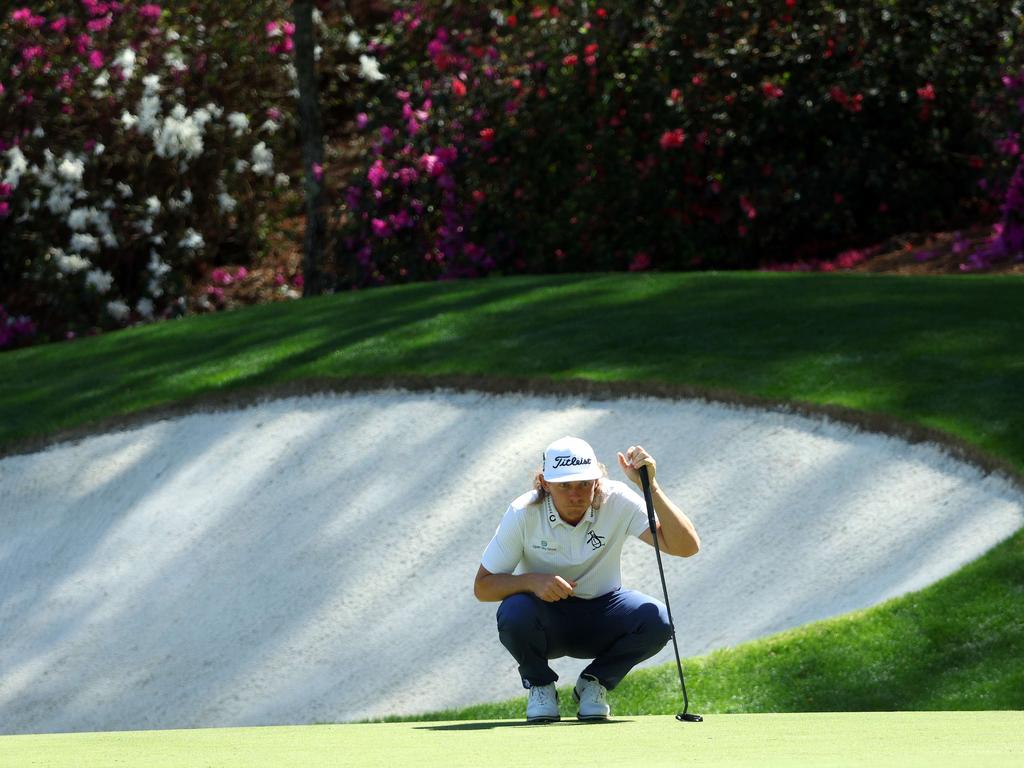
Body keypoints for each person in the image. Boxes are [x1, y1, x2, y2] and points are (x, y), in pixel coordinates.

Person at [474, 435, 700, 723]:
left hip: (604, 615)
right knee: (514, 611)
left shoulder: (616, 499)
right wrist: (531, 581)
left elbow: (686, 547)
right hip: (546, 622)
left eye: (584, 483)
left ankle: (594, 683)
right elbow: (483, 586)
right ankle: (541, 685)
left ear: (598, 479)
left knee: (657, 620)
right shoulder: (523, 512)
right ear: (545, 483)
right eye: (564, 485)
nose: (576, 494)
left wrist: (649, 487)